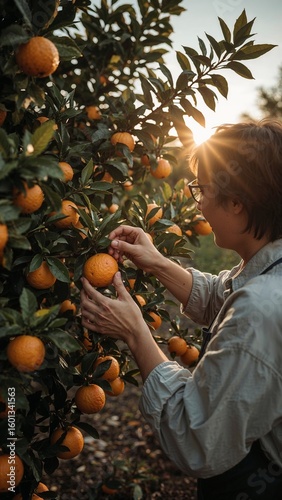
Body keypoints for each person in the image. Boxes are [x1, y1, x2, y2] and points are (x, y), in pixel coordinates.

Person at [80, 120, 282, 500]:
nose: (199, 202)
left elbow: (197, 436)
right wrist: (156, 262)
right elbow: (228, 297)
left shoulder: (262, 309)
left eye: (201, 190)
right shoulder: (271, 272)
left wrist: (137, 333)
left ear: (237, 202)